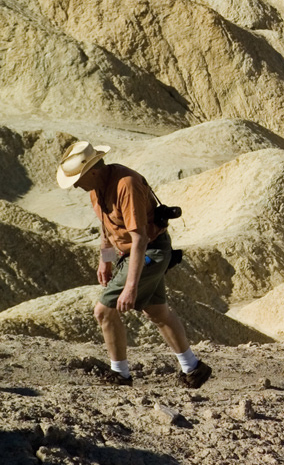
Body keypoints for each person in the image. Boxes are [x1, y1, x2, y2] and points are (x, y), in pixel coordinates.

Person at [57, 141, 212, 388]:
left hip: (150, 251)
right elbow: (107, 229)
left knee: (104, 311)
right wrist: (105, 261)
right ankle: (193, 368)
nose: (76, 185)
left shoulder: (125, 185)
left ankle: (120, 374)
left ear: (93, 171)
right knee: (157, 311)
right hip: (134, 253)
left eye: (78, 179)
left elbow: (139, 238)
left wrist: (130, 287)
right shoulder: (96, 188)